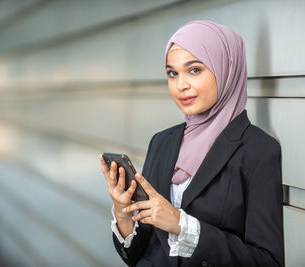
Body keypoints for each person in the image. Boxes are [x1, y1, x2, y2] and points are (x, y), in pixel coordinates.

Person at [100, 20, 284, 267]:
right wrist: (123, 213)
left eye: (194, 70)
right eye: (172, 73)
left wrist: (182, 226)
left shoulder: (258, 150)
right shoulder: (162, 142)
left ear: (225, 69)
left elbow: (268, 261)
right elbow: (136, 254)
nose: (180, 85)